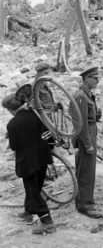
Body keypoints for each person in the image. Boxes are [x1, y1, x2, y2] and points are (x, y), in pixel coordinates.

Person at [2, 94, 56, 234]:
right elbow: (48, 134)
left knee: (33, 192)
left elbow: (14, 146)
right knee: (34, 188)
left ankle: (47, 222)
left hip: (28, 163)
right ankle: (28, 212)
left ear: (10, 110)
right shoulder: (36, 114)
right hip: (43, 158)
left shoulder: (12, 124)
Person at [71, 66, 101, 218]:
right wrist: (88, 144)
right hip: (85, 137)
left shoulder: (87, 94)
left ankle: (84, 199)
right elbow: (80, 124)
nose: (97, 80)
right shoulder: (81, 96)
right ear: (86, 78)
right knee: (86, 172)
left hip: (90, 133)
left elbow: (90, 117)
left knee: (86, 170)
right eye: (94, 78)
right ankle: (84, 205)